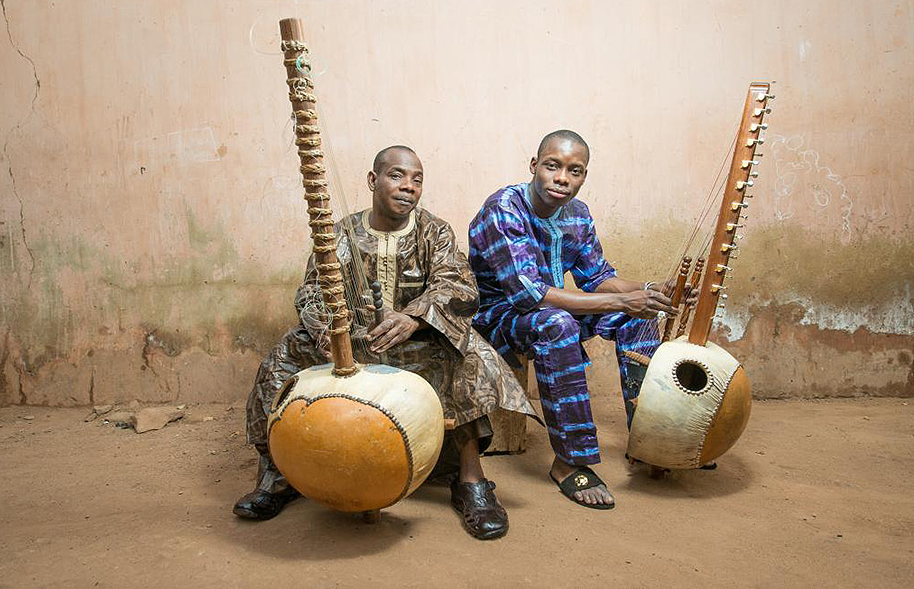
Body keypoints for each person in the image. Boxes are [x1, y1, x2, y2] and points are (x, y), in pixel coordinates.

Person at [234, 145, 538, 540]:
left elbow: (459, 285)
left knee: (470, 354)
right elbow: (312, 290)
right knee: (281, 359)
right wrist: (330, 331)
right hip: (353, 342)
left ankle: (471, 482)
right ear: (373, 181)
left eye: (417, 179)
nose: (408, 186)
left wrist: (414, 316)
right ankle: (277, 477)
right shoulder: (341, 233)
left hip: (417, 340)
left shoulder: (434, 231)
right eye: (397, 175)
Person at [468, 130, 679, 510]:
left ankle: (648, 442)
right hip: (497, 317)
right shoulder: (503, 207)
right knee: (558, 325)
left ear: (584, 176)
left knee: (638, 320)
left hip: (552, 309)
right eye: (553, 166)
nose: (562, 178)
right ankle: (570, 461)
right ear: (535, 166)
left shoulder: (577, 215)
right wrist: (621, 300)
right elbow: (527, 295)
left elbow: (598, 278)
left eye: (575, 171)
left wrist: (651, 291)